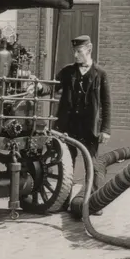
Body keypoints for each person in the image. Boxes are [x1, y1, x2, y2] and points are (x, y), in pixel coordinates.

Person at [53, 35, 112, 194]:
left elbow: (106, 103)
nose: (75, 55)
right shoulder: (67, 71)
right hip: (68, 127)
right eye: (74, 51)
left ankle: (93, 201)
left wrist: (105, 130)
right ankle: (63, 200)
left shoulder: (100, 74)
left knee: (92, 165)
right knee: (66, 165)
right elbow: (51, 87)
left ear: (89, 49)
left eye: (79, 51)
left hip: (89, 129)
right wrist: (37, 87)